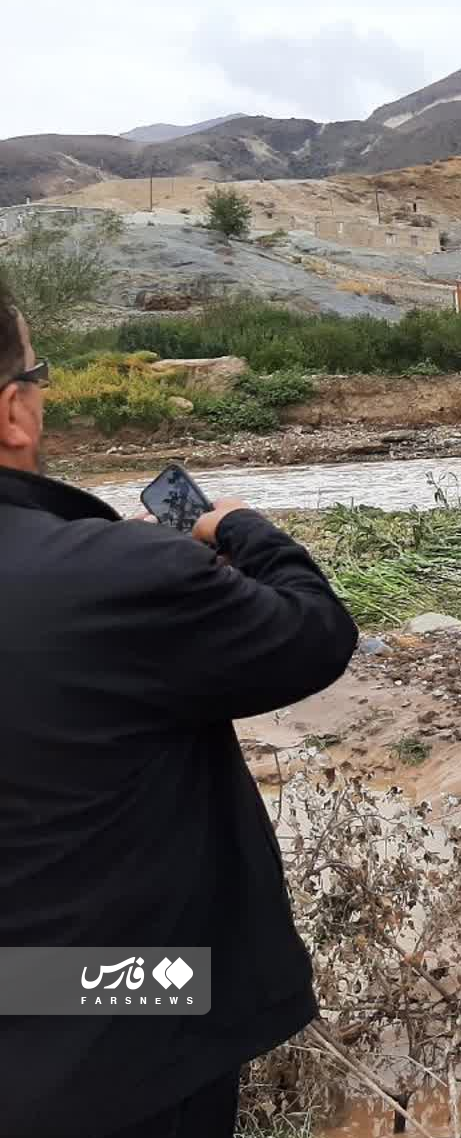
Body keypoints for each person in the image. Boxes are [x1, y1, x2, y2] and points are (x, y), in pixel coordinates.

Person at [0, 289, 359, 1136]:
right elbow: (316, 633)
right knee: (173, 984)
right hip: (115, 1052)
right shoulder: (117, 575)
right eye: (37, 374)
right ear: (13, 410)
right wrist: (241, 529)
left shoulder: (102, 574)